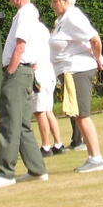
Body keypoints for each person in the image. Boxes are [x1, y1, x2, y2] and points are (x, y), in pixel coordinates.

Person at [0, 0, 50, 189]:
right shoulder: (27, 14)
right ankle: (37, 170)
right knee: (21, 125)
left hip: (19, 73)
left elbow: (20, 46)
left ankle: (5, 173)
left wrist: (11, 71)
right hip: (25, 72)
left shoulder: (26, 14)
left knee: (9, 122)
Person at [49, 0, 103, 173]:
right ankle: (92, 158)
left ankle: (97, 159)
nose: (52, 5)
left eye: (54, 1)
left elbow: (94, 38)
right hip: (69, 71)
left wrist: (98, 58)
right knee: (78, 115)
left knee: (82, 115)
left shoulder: (73, 16)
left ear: (64, 0)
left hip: (78, 70)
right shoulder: (63, 19)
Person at [30, 18, 66, 156]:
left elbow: (31, 57)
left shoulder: (31, 32)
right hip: (50, 74)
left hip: (39, 76)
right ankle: (58, 144)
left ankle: (46, 147)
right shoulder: (44, 30)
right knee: (48, 110)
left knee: (40, 112)